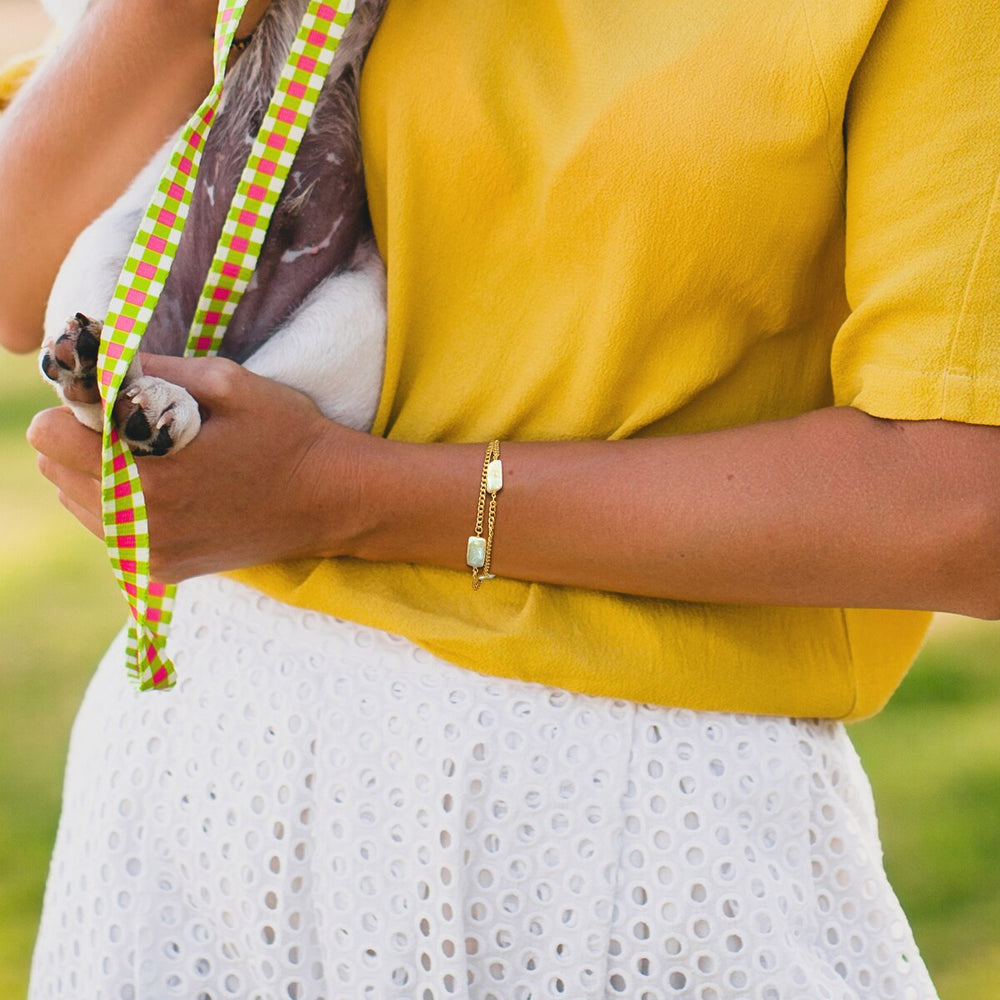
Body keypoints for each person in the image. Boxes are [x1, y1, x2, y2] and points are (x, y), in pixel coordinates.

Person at [1, 0, 998, 996]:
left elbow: (964, 508)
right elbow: (19, 279)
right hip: (194, 789)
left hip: (623, 850)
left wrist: (344, 497)